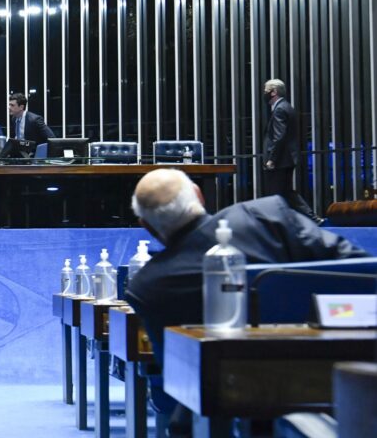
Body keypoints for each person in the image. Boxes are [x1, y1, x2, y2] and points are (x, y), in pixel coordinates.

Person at [125, 168, 367, 435]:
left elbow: (175, 376)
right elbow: (359, 270)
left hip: (227, 401)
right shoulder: (266, 214)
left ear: (145, 226)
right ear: (199, 195)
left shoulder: (146, 287)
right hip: (340, 382)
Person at [262, 79, 322, 224]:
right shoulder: (287, 107)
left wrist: (272, 159)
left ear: (274, 92)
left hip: (280, 160)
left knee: (275, 194)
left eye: (266, 90)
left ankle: (276, 224)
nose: (264, 93)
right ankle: (311, 219)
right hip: (287, 158)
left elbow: (279, 136)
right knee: (287, 192)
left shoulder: (280, 109)